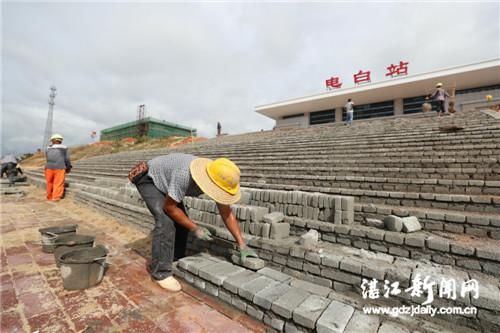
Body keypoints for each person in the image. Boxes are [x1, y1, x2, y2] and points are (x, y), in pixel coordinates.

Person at [128, 153, 258, 292]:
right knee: (166, 222)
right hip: (149, 179)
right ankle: (160, 272)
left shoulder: (218, 177)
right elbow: (169, 208)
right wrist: (195, 228)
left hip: (167, 179)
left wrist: (242, 244)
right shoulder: (185, 175)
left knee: (182, 223)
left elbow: (226, 213)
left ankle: (174, 259)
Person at [45, 134, 72, 201]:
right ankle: (56, 197)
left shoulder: (48, 148)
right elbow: (67, 159)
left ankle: (49, 196)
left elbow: (47, 157)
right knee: (58, 182)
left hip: (48, 167)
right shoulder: (65, 148)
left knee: (49, 182)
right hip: (60, 167)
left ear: (52, 141)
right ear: (61, 140)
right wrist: (68, 167)